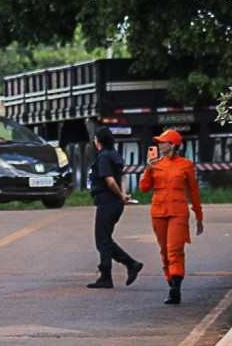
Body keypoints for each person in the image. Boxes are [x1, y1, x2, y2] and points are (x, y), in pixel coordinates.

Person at [138, 129, 204, 304]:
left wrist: (198, 216)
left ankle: (176, 287)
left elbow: (194, 191)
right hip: (158, 212)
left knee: (175, 250)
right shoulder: (155, 164)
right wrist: (148, 168)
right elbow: (144, 188)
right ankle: (170, 281)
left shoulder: (185, 165)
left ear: (172, 145)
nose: (159, 145)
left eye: (163, 142)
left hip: (178, 212)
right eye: (159, 142)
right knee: (165, 251)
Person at [86, 127, 143, 289]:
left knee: (102, 240)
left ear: (99, 141)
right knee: (104, 239)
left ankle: (111, 274)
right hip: (115, 203)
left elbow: (110, 181)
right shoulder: (115, 154)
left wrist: (119, 195)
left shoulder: (103, 157)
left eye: (96, 139)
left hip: (107, 201)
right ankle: (129, 265)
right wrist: (123, 195)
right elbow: (122, 177)